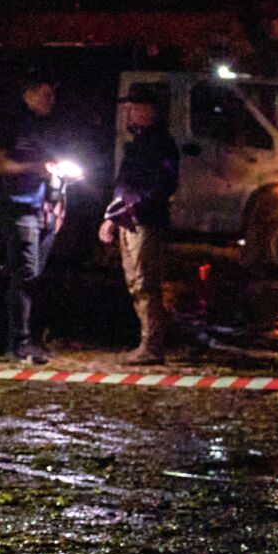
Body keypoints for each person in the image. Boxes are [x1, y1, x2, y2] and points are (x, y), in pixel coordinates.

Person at [0, 74, 63, 363]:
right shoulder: (8, 123)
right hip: (17, 207)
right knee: (25, 271)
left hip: (42, 208)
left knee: (35, 274)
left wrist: (57, 201)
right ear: (28, 94)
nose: (51, 100)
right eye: (46, 94)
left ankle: (30, 336)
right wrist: (34, 168)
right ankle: (19, 342)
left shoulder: (44, 127)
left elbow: (52, 167)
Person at [100, 83, 180, 364]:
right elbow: (122, 183)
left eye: (136, 107)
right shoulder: (136, 144)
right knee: (135, 282)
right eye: (129, 107)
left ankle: (152, 345)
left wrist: (136, 206)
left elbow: (165, 185)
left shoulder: (162, 144)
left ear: (151, 110)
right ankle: (147, 340)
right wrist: (111, 216)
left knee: (146, 282)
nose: (130, 112)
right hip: (129, 221)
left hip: (146, 222)